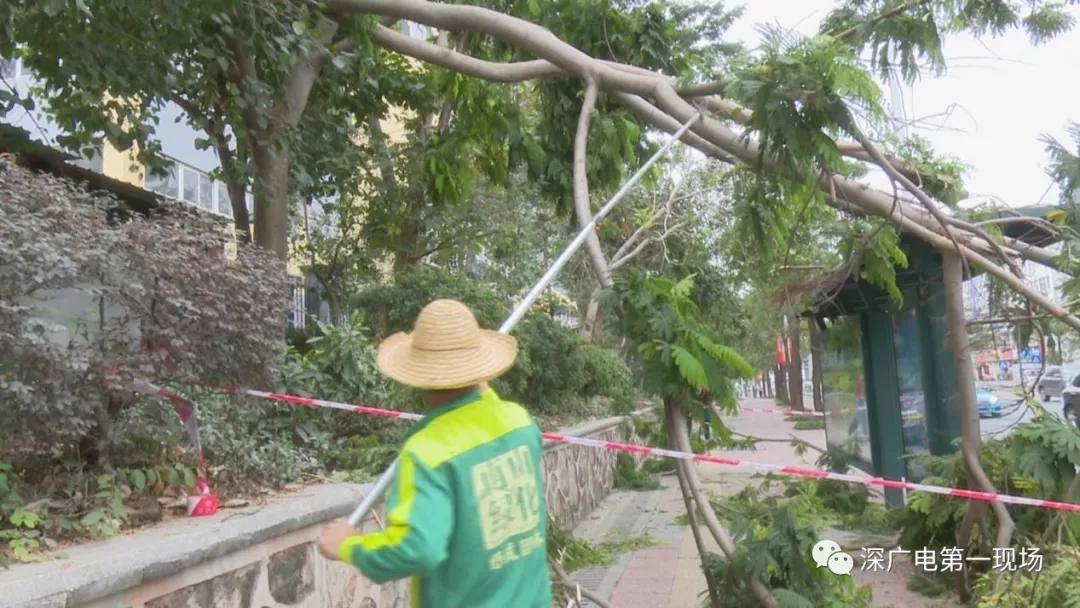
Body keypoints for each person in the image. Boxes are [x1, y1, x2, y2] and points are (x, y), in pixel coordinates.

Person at [316, 299, 552, 608]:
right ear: (481, 368)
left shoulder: (428, 452)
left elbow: (418, 548)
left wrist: (349, 546)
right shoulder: (519, 423)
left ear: (419, 376)